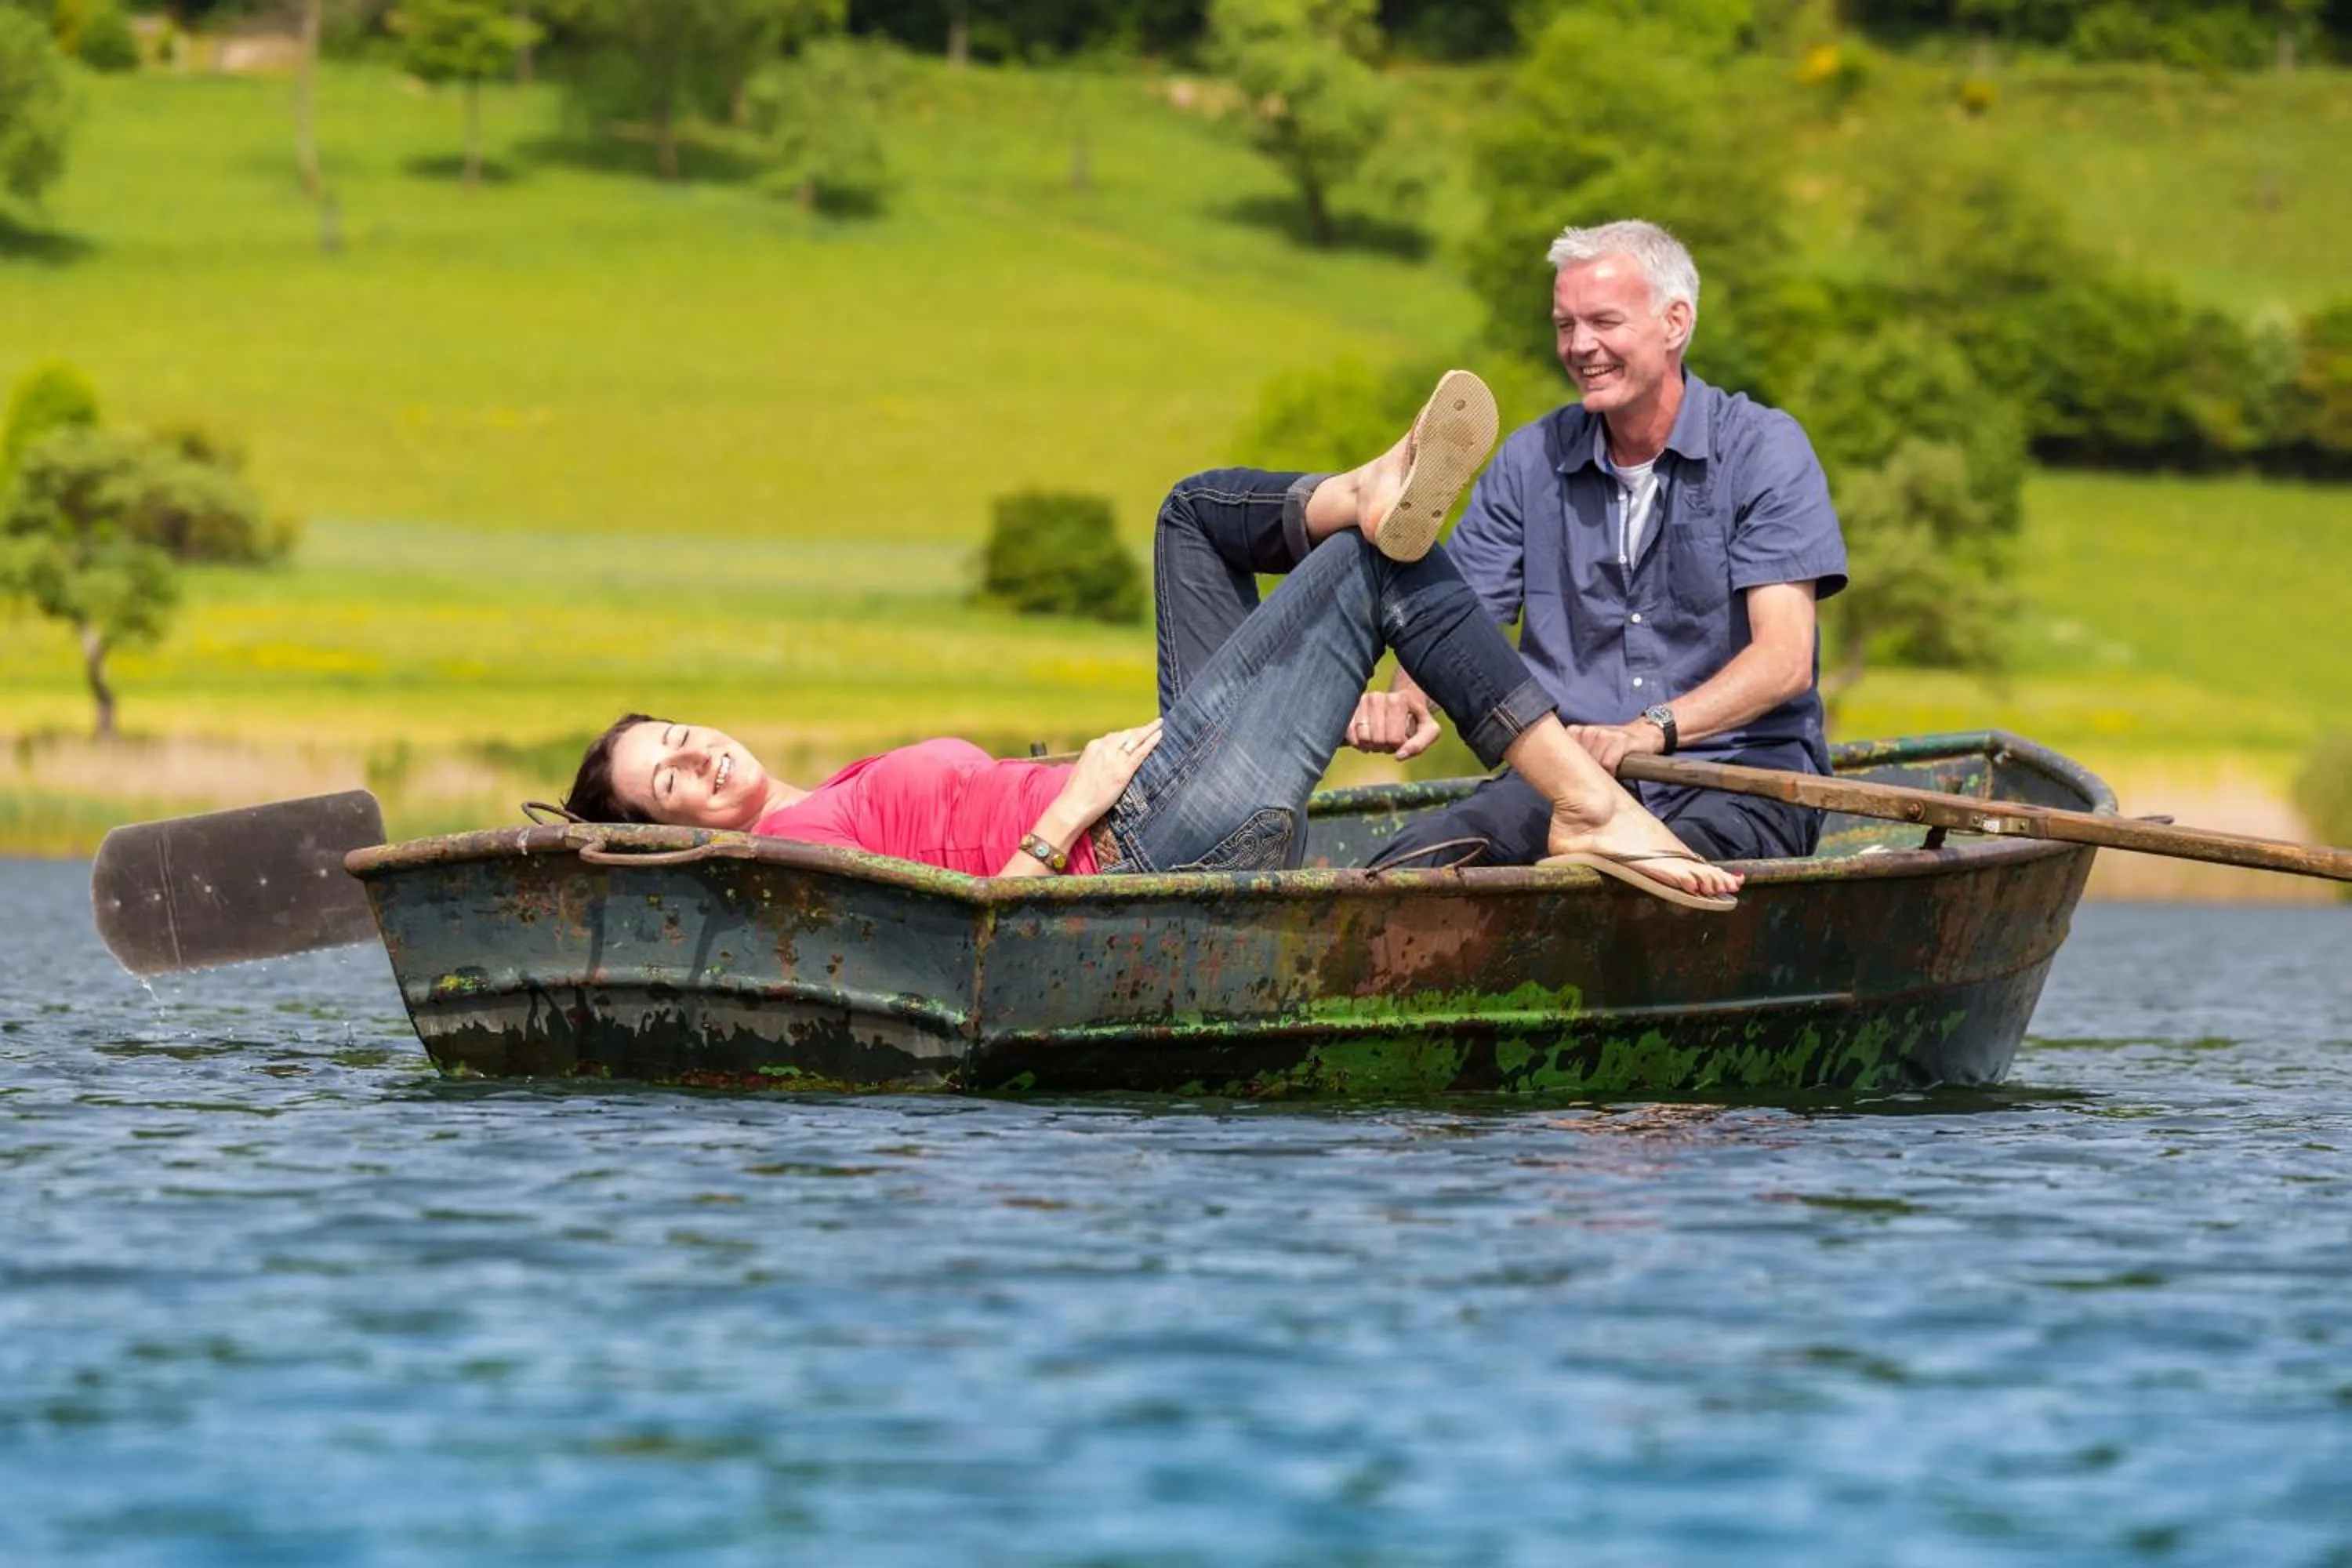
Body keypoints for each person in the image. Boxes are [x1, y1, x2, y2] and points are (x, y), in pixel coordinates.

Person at [559, 372, 1743, 909]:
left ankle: (1365, 487)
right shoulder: (785, 860)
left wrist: (1309, 700)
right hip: (1131, 849)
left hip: (1156, 797)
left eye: (678, 733)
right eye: (669, 780)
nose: (696, 755)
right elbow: (955, 944)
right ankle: (1585, 801)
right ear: (675, 831)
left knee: (1192, 518)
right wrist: (1065, 815)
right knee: (1374, 569)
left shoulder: (831, 789)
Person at [1163, 220, 1848, 869]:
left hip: (1736, 778)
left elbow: (1785, 661)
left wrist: (1649, 729)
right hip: (1572, 781)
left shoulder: (1762, 449)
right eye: (1565, 325)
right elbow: (1448, 613)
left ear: (1676, 323)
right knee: (1406, 873)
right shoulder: (1532, 460)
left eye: (1604, 322)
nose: (1580, 346)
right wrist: (1408, 699)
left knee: (1649, 885)